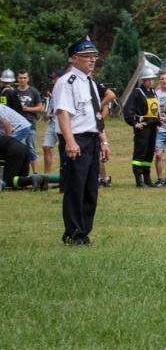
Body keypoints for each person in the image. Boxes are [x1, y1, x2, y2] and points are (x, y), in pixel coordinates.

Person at [52, 36, 111, 245]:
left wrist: (104, 141)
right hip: (76, 139)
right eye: (87, 56)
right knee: (75, 187)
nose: (92, 60)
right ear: (75, 59)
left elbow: (95, 114)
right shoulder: (66, 82)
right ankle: (73, 232)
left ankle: (84, 232)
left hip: (92, 138)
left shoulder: (90, 83)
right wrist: (69, 141)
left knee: (89, 189)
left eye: (94, 56)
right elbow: (62, 113)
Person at [123, 66, 160, 187]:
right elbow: (128, 110)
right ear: (143, 81)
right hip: (142, 128)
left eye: (152, 79)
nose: (150, 81)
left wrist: (157, 122)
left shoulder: (153, 92)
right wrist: (134, 123)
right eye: (148, 79)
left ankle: (147, 178)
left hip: (152, 127)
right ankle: (139, 180)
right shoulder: (137, 92)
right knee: (140, 153)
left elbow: (155, 110)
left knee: (149, 153)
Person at [14, 69, 43, 173]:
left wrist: (28, 109)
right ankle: (17, 172)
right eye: (21, 78)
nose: (22, 80)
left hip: (30, 124)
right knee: (17, 149)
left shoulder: (33, 91)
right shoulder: (13, 92)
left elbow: (40, 107)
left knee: (31, 148)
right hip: (16, 126)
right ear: (17, 79)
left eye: (25, 78)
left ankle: (35, 173)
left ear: (28, 79)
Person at [42, 69, 66, 175]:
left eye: (54, 78)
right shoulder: (53, 91)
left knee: (63, 149)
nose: (52, 81)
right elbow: (51, 105)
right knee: (46, 146)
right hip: (52, 123)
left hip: (61, 124)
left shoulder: (65, 91)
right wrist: (48, 113)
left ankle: (64, 172)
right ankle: (47, 175)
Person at [153, 70, 166, 186]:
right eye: (162, 79)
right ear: (159, 81)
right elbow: (154, 111)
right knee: (158, 154)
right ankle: (160, 178)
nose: (164, 81)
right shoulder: (156, 94)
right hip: (160, 128)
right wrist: (160, 120)